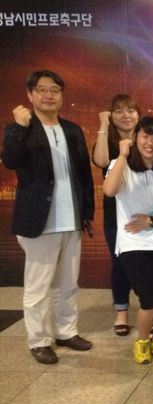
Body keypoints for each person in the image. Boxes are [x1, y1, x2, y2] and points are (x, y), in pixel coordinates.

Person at [2, 70, 94, 364]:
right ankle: (39, 340)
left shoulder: (72, 130)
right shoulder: (21, 128)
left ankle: (67, 331)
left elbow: (84, 175)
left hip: (71, 219)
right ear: (30, 94)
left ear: (61, 95)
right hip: (39, 221)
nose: (48, 95)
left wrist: (87, 213)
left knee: (68, 283)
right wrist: (19, 127)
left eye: (54, 89)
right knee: (38, 286)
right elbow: (10, 160)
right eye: (41, 90)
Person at [103, 116, 153, 365]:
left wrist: (151, 220)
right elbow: (109, 190)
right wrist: (122, 155)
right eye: (145, 136)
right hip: (134, 244)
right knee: (150, 302)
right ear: (135, 137)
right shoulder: (121, 165)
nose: (150, 142)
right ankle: (142, 341)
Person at [92, 94, 140, 336]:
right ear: (112, 115)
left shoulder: (146, 139)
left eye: (130, 110)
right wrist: (103, 125)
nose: (126, 115)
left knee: (144, 265)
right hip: (116, 215)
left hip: (142, 213)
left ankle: (149, 308)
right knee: (120, 263)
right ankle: (121, 311)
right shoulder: (108, 142)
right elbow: (101, 161)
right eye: (119, 111)